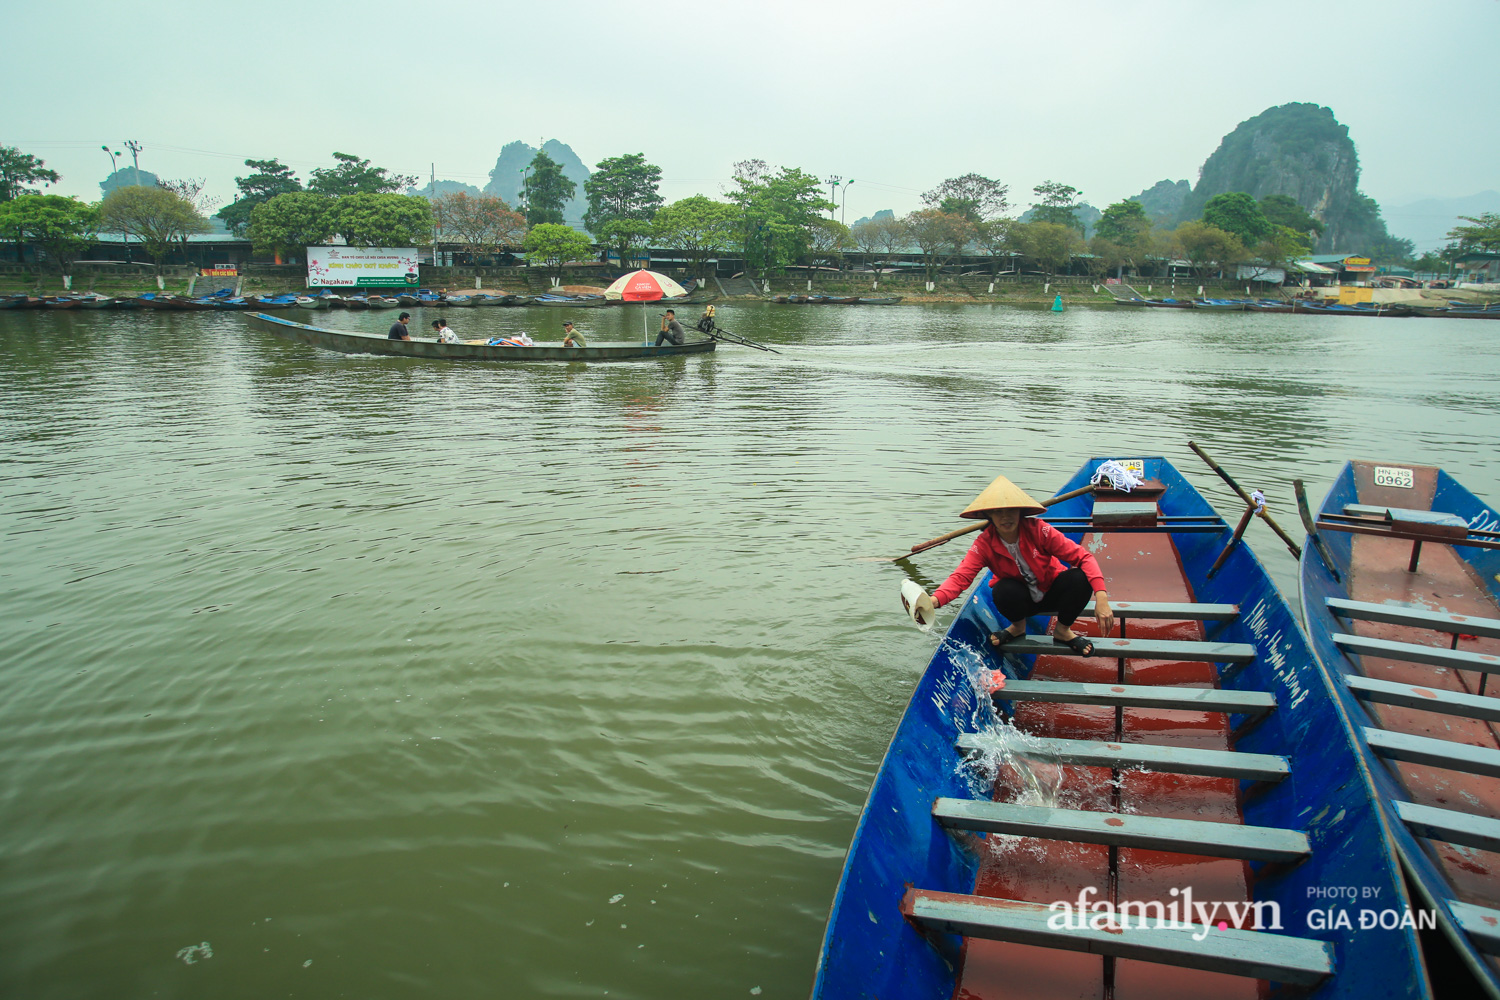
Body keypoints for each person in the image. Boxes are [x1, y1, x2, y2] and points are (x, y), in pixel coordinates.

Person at [930, 474, 1113, 656]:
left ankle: (1063, 630)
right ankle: (1018, 627)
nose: (1005, 517)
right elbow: (961, 577)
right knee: (1002, 589)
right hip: (1021, 601)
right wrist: (934, 601)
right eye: (998, 512)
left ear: (1020, 512)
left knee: (1080, 578)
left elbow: (1084, 558)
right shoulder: (983, 544)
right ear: (989, 516)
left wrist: (1102, 598)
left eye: (1011, 511)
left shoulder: (1040, 530)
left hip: (1052, 592)